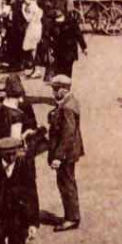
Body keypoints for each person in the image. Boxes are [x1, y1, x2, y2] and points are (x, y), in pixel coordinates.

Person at [47, 74, 84, 231]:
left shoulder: (67, 108)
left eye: (55, 89)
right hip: (69, 151)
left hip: (66, 153)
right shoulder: (68, 102)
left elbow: (68, 134)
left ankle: (71, 217)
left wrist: (58, 157)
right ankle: (71, 214)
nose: (53, 92)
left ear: (62, 90)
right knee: (67, 182)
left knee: (66, 183)